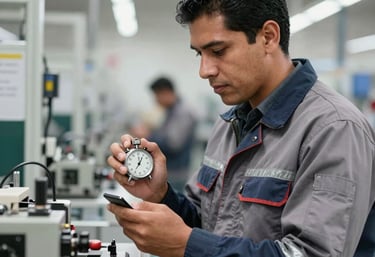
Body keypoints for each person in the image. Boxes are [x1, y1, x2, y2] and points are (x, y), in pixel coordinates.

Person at [106, 0, 375, 256]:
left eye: (218, 51)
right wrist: (162, 195)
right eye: (200, 54)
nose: (204, 70)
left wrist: (187, 246)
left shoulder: (334, 129)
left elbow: (311, 253)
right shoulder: (230, 124)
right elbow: (207, 224)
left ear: (268, 37)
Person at [130, 76, 197, 192]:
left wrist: (148, 135)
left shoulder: (183, 113)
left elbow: (173, 143)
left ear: (166, 92)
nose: (156, 100)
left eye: (157, 96)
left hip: (176, 173)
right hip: (170, 171)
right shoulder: (170, 110)